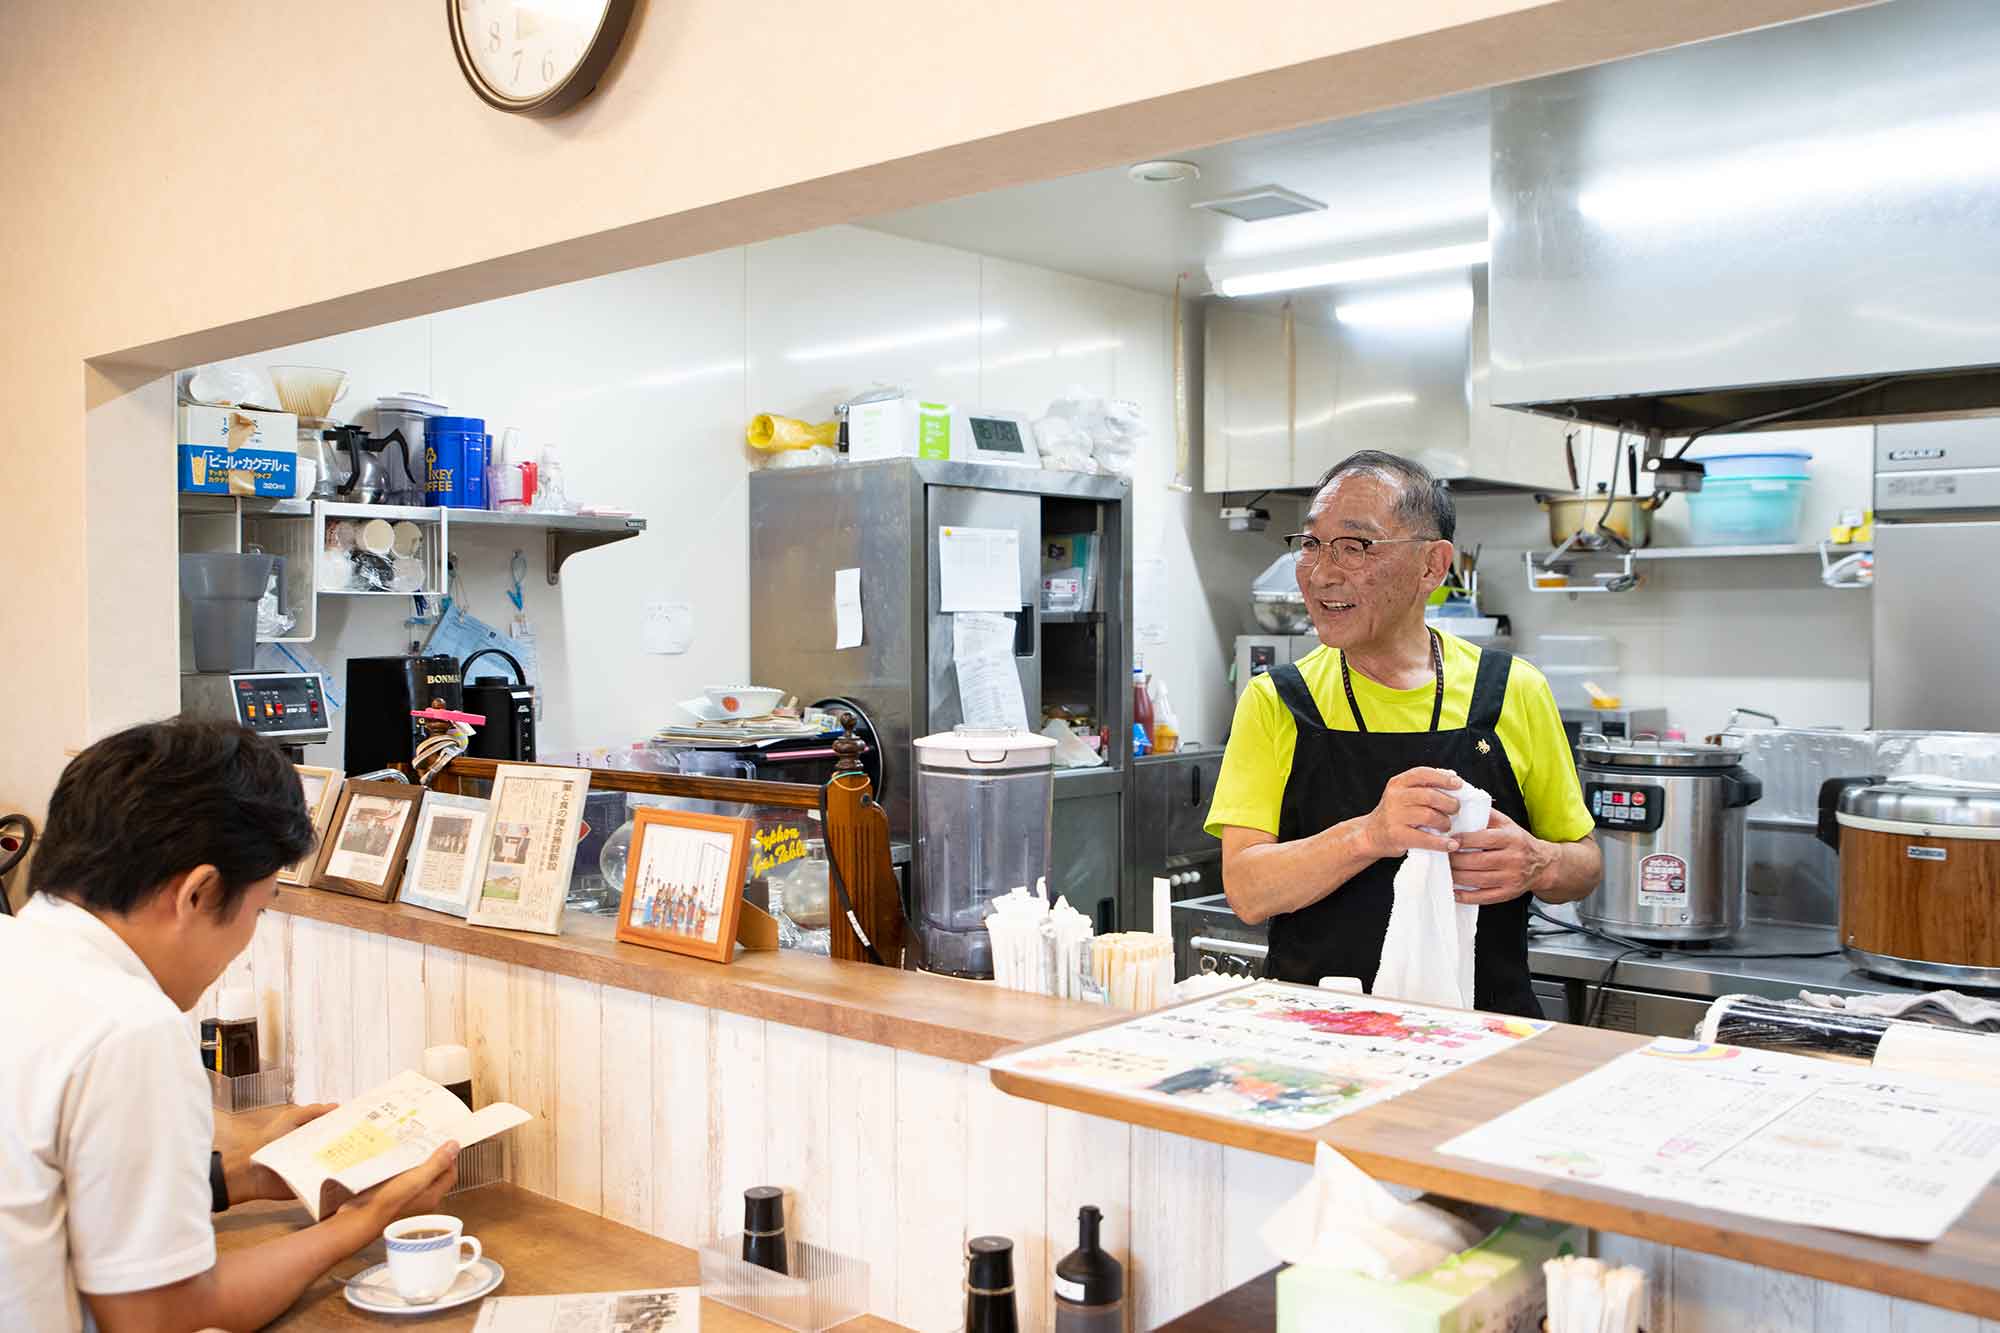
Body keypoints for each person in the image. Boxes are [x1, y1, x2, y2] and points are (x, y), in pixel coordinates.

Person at [0, 719, 461, 1333]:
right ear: (198, 893)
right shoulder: (128, 1029)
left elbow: (59, 1193)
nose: (245, 944)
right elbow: (160, 1318)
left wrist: (241, 1176)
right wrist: (362, 1223)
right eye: (262, 906)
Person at [1206, 451, 1601, 1016]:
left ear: (1432, 567)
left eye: (1355, 546)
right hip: (1317, 1038)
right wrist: (1370, 834)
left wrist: (1540, 863)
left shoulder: (1512, 689)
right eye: (1312, 544)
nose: (1321, 574)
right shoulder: (1279, 701)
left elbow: (1584, 864)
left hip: (1484, 1030)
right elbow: (1246, 890)